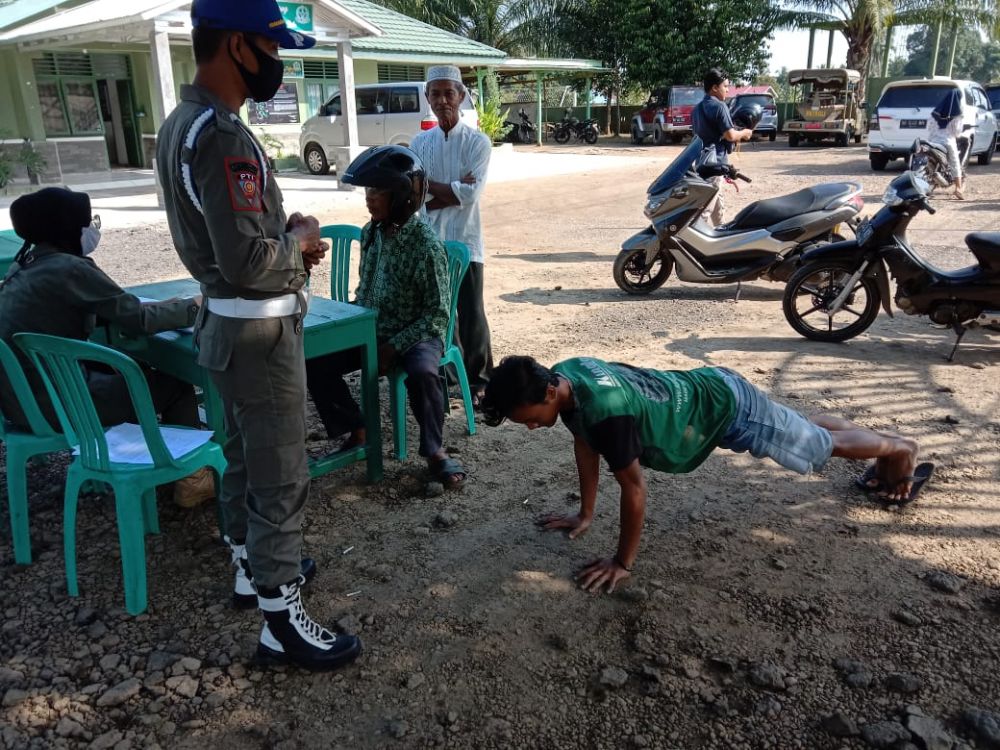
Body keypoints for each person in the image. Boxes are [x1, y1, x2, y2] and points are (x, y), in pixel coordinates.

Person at [155, 0, 361, 671]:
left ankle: (250, 570)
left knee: (244, 457)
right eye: (271, 48)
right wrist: (298, 246)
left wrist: (277, 231)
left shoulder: (179, 124)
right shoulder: (220, 133)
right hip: (258, 333)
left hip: (221, 327)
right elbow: (247, 262)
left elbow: (227, 243)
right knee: (279, 476)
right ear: (238, 46)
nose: (278, 62)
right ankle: (283, 623)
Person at [481, 355, 934, 594]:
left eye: (531, 418)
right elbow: (584, 443)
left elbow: (635, 490)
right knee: (805, 429)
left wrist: (622, 562)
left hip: (728, 409)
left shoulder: (607, 417)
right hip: (710, 388)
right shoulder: (569, 374)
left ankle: (900, 450)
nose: (533, 427)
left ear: (547, 392)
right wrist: (585, 514)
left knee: (818, 447)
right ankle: (885, 446)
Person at [0, 188, 214, 508]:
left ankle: (161, 459)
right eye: (88, 222)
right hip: (62, 405)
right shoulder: (70, 268)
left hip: (21, 404)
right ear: (67, 227)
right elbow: (139, 319)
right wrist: (199, 305)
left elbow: (111, 310)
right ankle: (191, 479)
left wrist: (165, 308)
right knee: (174, 385)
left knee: (136, 371)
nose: (92, 229)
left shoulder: (25, 266)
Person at [305, 145, 468, 487]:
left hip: (416, 333)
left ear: (401, 194)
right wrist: (353, 327)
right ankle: (357, 427)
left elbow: (437, 314)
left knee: (424, 373)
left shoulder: (425, 243)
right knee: (314, 360)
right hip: (372, 329)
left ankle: (435, 451)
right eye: (368, 190)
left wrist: (394, 346)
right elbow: (365, 290)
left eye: (378, 190)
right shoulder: (371, 233)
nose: (370, 198)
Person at [410, 65, 494, 407]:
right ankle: (447, 376)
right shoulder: (419, 142)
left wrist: (433, 190)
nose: (442, 100)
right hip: (432, 241)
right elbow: (416, 195)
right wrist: (452, 190)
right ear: (427, 98)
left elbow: (472, 195)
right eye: (435, 93)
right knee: (439, 313)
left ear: (461, 96)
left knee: (471, 313)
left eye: (449, 93)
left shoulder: (477, 142)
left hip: (467, 241)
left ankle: (480, 381)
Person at [691, 68, 753, 225]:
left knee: (717, 204)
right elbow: (730, 135)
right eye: (725, 86)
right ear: (714, 88)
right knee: (705, 209)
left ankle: (721, 233)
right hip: (715, 164)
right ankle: (694, 242)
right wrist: (745, 132)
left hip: (701, 162)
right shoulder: (720, 106)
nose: (727, 90)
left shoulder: (696, 109)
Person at [929, 89, 965, 200]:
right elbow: (957, 132)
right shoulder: (957, 115)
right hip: (948, 141)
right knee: (955, 163)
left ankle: (930, 186)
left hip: (933, 141)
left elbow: (929, 127)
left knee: (930, 163)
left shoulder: (935, 112)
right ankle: (958, 188)